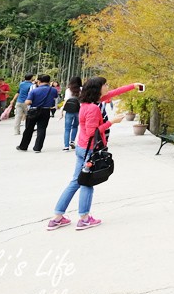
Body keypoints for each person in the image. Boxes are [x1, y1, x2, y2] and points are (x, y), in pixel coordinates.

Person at [47, 77, 144, 231]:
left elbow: (115, 92)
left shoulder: (90, 102)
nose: (108, 87)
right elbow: (93, 132)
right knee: (87, 182)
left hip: (82, 147)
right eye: (105, 84)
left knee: (75, 182)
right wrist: (111, 122)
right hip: (89, 150)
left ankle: (57, 218)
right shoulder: (92, 108)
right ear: (98, 88)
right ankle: (84, 219)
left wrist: (133, 85)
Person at [16, 74, 59, 153]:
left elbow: (28, 102)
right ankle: (37, 148)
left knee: (29, 129)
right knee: (42, 129)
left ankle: (23, 146)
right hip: (46, 111)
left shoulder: (34, 90)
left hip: (33, 111)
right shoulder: (53, 90)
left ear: (39, 81)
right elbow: (55, 98)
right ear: (49, 81)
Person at [59, 76, 82, 150]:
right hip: (79, 110)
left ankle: (66, 146)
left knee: (67, 128)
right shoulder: (82, 89)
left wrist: (62, 110)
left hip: (69, 110)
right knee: (75, 126)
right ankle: (72, 141)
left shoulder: (68, 90)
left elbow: (66, 101)